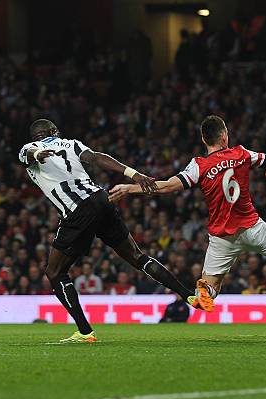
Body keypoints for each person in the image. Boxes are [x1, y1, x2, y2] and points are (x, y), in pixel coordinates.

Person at [110, 115, 266, 310]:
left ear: (204, 140)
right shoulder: (241, 154)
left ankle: (206, 293)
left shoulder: (199, 165)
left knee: (209, 287)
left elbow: (166, 187)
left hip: (222, 238)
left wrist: (130, 188)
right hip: (253, 228)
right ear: (224, 135)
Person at [19, 119, 195, 343]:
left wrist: (37, 156)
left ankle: (85, 332)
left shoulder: (28, 147)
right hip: (102, 199)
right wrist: (134, 174)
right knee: (137, 256)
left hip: (77, 210)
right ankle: (187, 294)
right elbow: (96, 157)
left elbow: (29, 153)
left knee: (54, 272)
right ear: (53, 132)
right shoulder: (70, 144)